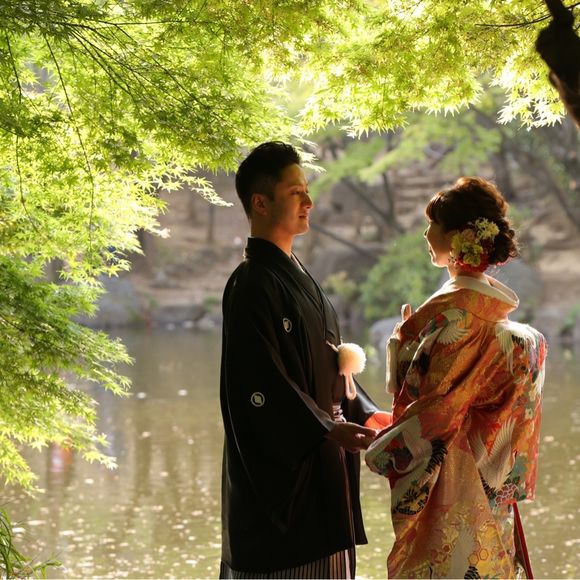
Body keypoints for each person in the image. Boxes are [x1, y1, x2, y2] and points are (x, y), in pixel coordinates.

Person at [219, 141, 391, 579]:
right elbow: (260, 385)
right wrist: (327, 428)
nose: (309, 202)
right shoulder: (251, 284)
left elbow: (327, 361)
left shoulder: (296, 274)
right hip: (286, 484)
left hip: (324, 462)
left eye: (307, 191)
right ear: (260, 203)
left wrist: (364, 413)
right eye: (296, 193)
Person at [365, 177, 547, 578]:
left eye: (432, 224)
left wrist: (383, 446)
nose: (425, 234)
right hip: (487, 473)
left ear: (458, 236)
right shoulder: (485, 310)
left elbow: (438, 410)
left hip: (452, 478)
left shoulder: (455, 315)